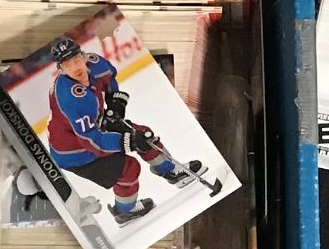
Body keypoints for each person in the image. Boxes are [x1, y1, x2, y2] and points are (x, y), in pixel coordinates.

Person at [45, 34, 210, 227]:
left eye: (76, 58)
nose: (75, 67)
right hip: (73, 152)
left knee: (143, 134)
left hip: (93, 127)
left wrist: (114, 100)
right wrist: (128, 142)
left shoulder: (94, 63)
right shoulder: (72, 98)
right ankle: (125, 211)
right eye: (67, 64)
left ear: (83, 55)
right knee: (128, 169)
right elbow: (92, 142)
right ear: (61, 70)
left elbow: (109, 78)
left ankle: (171, 171)